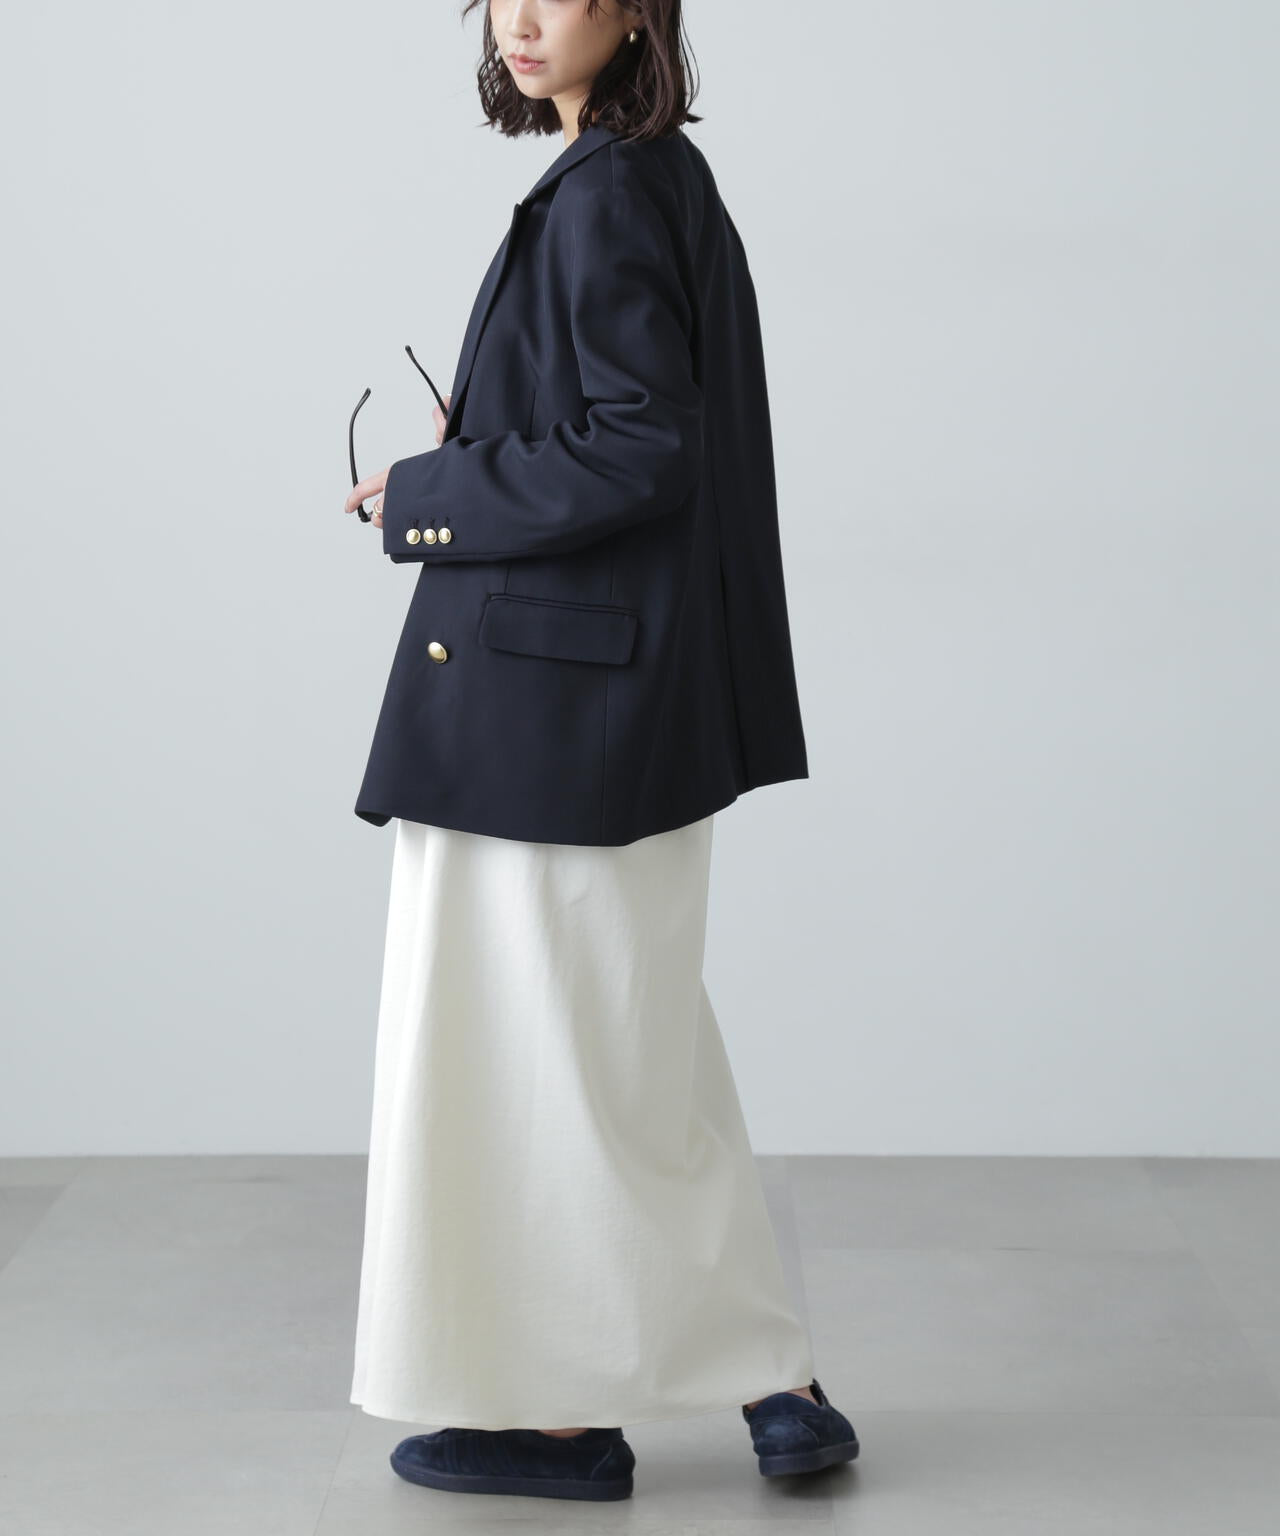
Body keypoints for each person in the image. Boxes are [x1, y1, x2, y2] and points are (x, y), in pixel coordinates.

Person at [341, 0, 859, 1503]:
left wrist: (436, 493)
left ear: (633, 9)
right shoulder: (649, 174)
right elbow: (634, 428)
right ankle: (774, 1383)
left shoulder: (611, 192)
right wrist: (489, 440)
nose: (520, 19)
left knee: (553, 1063)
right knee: (633, 1056)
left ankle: (569, 1421)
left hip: (554, 710)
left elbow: (645, 444)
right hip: (612, 703)